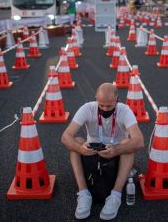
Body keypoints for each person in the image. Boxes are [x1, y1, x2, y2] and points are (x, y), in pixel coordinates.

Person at [61, 83, 144, 220]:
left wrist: (116, 150)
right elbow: (65, 137)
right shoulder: (87, 108)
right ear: (96, 99)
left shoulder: (124, 110)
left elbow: (139, 141)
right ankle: (83, 193)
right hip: (93, 151)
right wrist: (80, 148)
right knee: (77, 141)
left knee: (127, 143)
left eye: (109, 106)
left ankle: (115, 195)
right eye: (101, 105)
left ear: (117, 100)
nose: (105, 109)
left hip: (116, 154)